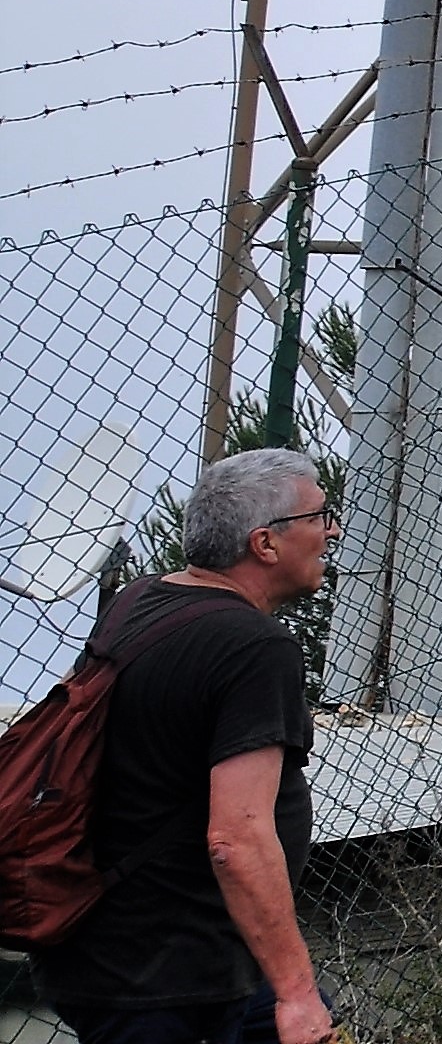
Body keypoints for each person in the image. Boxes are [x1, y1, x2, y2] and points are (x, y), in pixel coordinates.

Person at [29, 446, 339, 1044]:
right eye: (318, 517)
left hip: (120, 947)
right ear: (265, 543)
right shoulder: (254, 647)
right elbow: (236, 839)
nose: (332, 531)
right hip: (165, 975)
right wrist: (296, 994)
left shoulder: (139, 601)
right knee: (300, 1012)